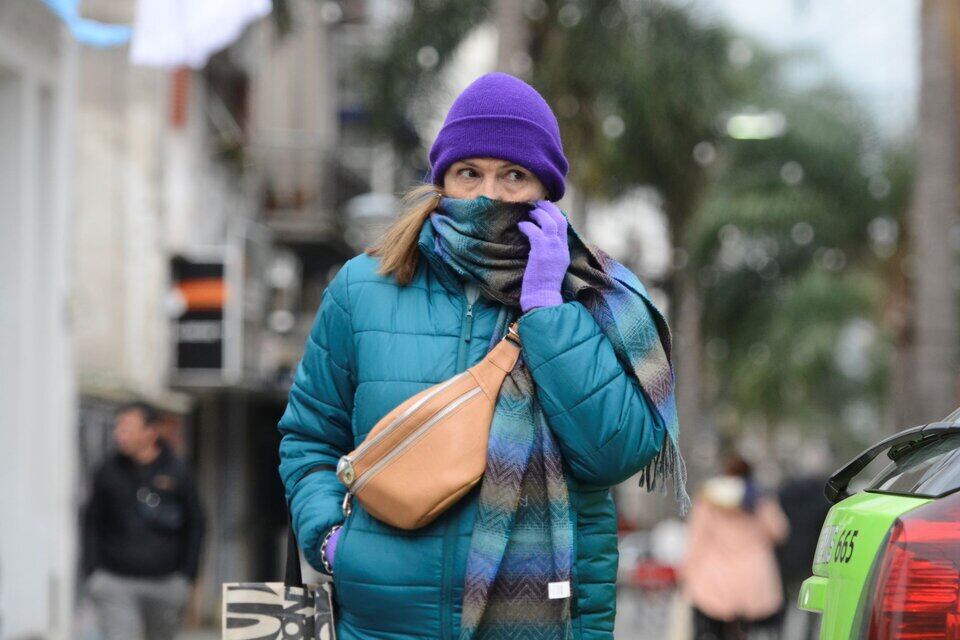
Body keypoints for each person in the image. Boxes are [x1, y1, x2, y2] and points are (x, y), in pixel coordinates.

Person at [277, 72, 686, 640]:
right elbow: (310, 437)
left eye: (513, 175)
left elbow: (616, 453)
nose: (488, 194)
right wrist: (331, 541)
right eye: (469, 173)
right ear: (443, 178)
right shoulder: (361, 289)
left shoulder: (592, 300)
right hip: (380, 623)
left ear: (545, 190)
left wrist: (546, 314)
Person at [82, 401, 205, 640]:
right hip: (115, 580)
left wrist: (188, 575)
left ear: (150, 432)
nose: (119, 434)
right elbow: (91, 521)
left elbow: (197, 523)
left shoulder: (177, 471)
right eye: (119, 428)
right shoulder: (107, 471)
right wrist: (93, 572)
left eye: (127, 428)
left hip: (166, 583)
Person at [680, 454, 789, 640]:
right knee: (749, 631)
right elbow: (779, 531)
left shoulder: (708, 497)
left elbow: (697, 538)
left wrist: (686, 571)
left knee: (713, 630)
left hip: (715, 575)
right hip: (753, 575)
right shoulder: (760, 498)